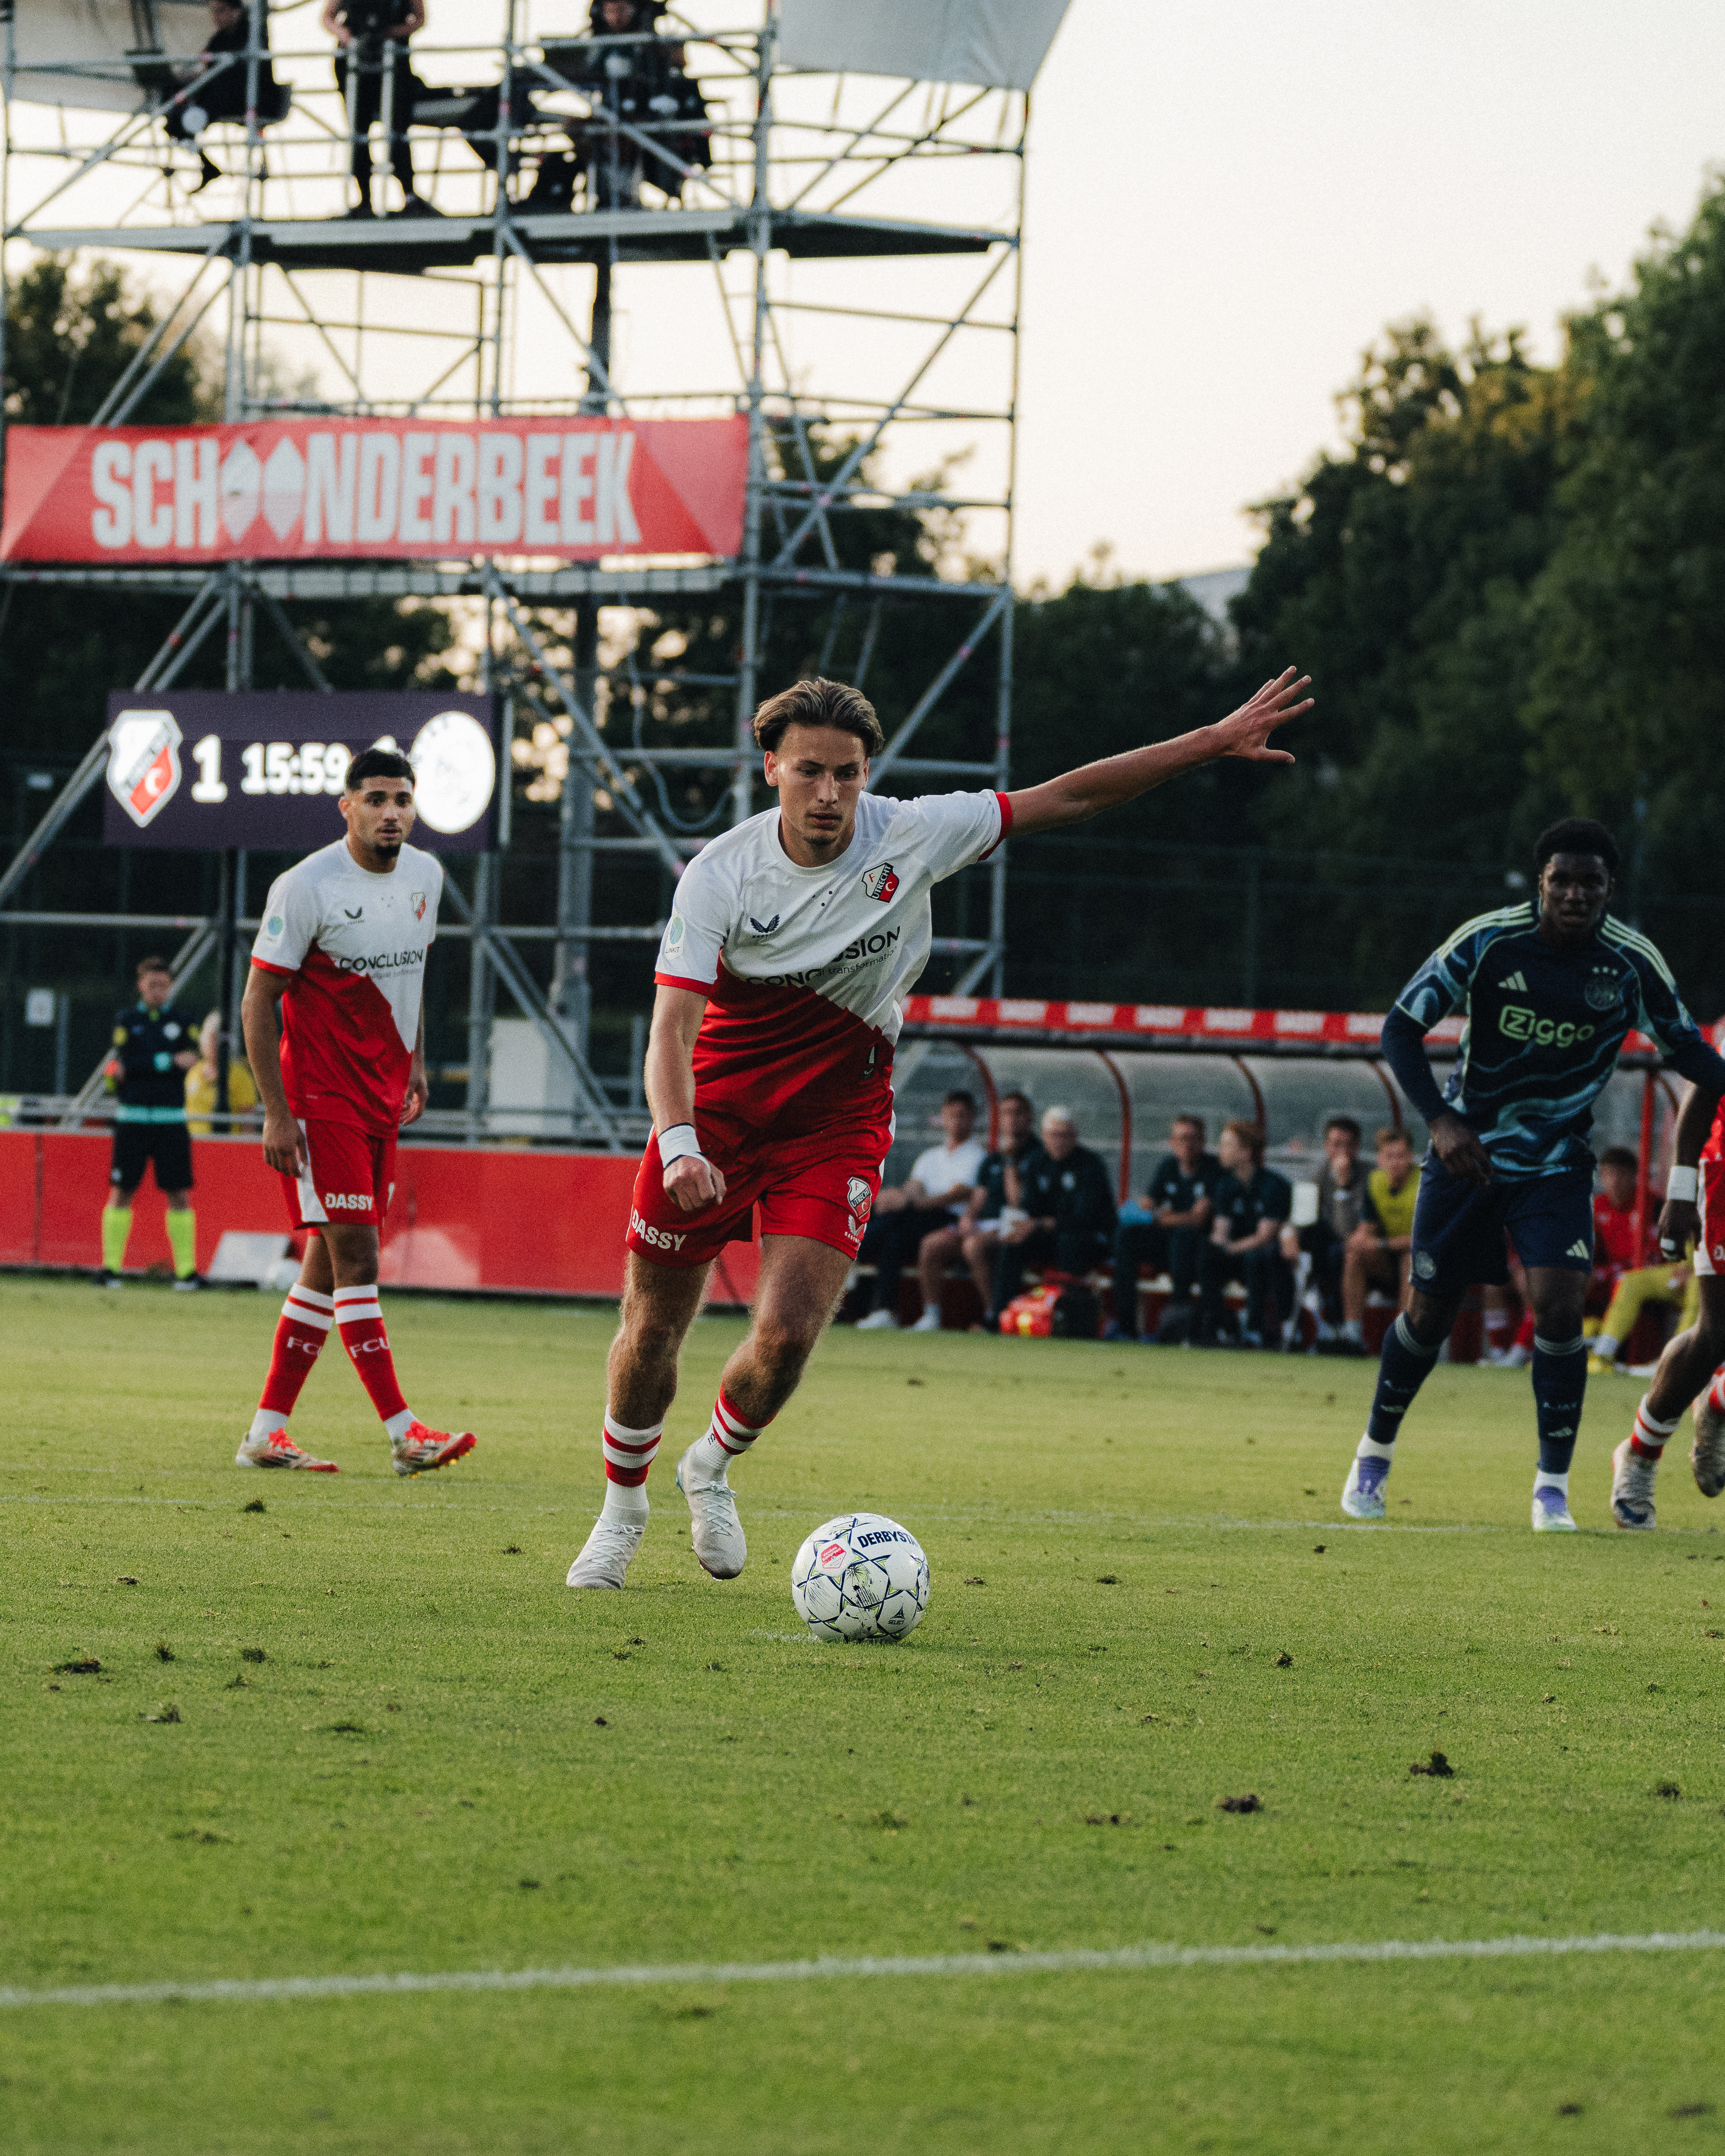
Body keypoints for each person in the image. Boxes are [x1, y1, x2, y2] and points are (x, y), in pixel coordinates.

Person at [564, 664, 1311, 1589]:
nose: (830, 792)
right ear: (770, 769)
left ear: (868, 770)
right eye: (808, 771)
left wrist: (1206, 742)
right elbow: (670, 1028)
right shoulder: (721, 873)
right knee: (651, 1329)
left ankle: (708, 1466)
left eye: (847, 771)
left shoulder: (913, 833)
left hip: (834, 1121)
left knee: (789, 1333)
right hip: (713, 1115)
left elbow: (1068, 796)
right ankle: (622, 1506)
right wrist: (678, 1142)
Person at [1338, 817, 1725, 1533]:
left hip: (1555, 1164)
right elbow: (1398, 1028)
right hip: (1467, 1158)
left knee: (1557, 1310)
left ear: (1610, 888)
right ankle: (1373, 1453)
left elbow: (1692, 1055)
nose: (1575, 894)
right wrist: (1440, 1121)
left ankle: (1550, 1487)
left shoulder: (1631, 962)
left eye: (1590, 882)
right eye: (1562, 881)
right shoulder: (1488, 940)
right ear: (1540, 883)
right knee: (1427, 1317)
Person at [237, 747, 475, 1478]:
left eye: (403, 798)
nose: (392, 812)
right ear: (346, 807)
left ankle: (265, 1433)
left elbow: (415, 978)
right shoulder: (305, 887)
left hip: (380, 1100)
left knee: (321, 1268)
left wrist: (419, 1063)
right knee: (359, 1260)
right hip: (319, 1101)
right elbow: (257, 1000)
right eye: (376, 798)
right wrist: (276, 1115)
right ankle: (405, 1433)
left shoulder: (427, 877)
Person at [1611, 1096, 1725, 1527]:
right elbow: (1702, 1092)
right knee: (1717, 1334)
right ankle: (1639, 1455)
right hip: (1724, 1173)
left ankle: (1717, 1399)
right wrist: (1679, 1191)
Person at [99, 956, 203, 1290]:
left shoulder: (183, 1020)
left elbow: (191, 1059)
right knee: (122, 1191)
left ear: (170, 986)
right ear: (140, 985)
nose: (158, 990)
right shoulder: (126, 1020)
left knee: (179, 1194)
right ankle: (110, 1270)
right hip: (132, 1120)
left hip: (171, 1121)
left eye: (163, 985)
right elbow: (126, 1063)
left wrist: (149, 1063)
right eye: (151, 984)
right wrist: (167, 1060)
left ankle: (186, 1273)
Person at [853, 1090, 985, 1331]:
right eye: (952, 1116)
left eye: (963, 1116)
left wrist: (913, 1202)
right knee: (893, 1239)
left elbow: (957, 1194)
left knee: (891, 1219)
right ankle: (885, 1310)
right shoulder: (930, 1157)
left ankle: (858, 1246)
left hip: (950, 1219)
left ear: (972, 1119)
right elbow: (914, 1186)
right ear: (943, 1118)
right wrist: (906, 1199)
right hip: (917, 1218)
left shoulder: (977, 1156)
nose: (957, 1121)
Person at [984, 1107, 1118, 1326]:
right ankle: (1001, 1319)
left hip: (1090, 1238)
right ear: (1044, 1137)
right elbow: (1029, 1207)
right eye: (1054, 1135)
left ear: (1075, 1137)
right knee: (1013, 1245)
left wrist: (1038, 1224)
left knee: (1070, 1242)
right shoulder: (1037, 1162)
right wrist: (1018, 1228)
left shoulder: (1090, 1165)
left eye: (1066, 1136)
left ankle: (1067, 1320)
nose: (1060, 1141)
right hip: (1049, 1235)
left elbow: (1085, 1218)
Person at [919, 1090, 1039, 1329]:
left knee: (973, 1246)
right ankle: (931, 1316)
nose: (1011, 1119)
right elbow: (980, 1195)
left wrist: (1010, 1163)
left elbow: (1018, 1203)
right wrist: (967, 1218)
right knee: (932, 1244)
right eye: (1006, 1113)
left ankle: (993, 1317)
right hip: (986, 1225)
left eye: (1018, 1113)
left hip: (1017, 1224)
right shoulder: (991, 1159)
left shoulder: (1037, 1155)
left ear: (1029, 1118)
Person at [1104, 1114, 1220, 1341]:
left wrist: (1162, 1218)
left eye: (1193, 1138)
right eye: (1182, 1139)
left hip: (1196, 1249)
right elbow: (1146, 1207)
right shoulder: (1168, 1167)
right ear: (1172, 1143)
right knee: (1127, 1237)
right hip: (1166, 1245)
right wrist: (1164, 1217)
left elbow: (1198, 1220)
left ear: (1203, 1142)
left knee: (1184, 1236)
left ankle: (1178, 1325)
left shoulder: (1212, 1170)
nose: (1187, 1144)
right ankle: (1126, 1325)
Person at [323, 0, 439, 218]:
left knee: (397, 130)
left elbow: (420, 17)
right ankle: (365, 201)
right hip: (354, 62)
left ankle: (409, 196)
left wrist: (393, 33)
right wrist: (347, 37)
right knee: (359, 132)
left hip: (394, 59)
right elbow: (328, 16)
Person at [161, 0, 284, 194]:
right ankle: (194, 139)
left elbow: (242, 72)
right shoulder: (219, 39)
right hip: (222, 97)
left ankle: (194, 119)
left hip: (254, 98)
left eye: (221, 11)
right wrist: (177, 80)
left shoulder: (252, 33)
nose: (217, 17)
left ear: (236, 10)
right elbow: (206, 69)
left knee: (223, 85)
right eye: (214, 12)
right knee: (170, 92)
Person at [1194, 1121, 1292, 1347]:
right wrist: (1218, 1248)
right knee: (1206, 1256)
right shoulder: (1225, 1185)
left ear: (1246, 1153)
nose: (1222, 1151)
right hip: (1235, 1253)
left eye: (1228, 1145)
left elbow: (1264, 1236)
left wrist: (1229, 1249)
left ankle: (1254, 1330)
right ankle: (1219, 1323)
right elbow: (1221, 1231)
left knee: (1254, 1259)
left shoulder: (1274, 1186)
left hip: (1265, 1258)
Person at [1280, 1114, 1364, 1344]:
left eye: (1348, 1146)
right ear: (1327, 1146)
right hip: (1321, 1246)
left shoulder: (1366, 1178)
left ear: (1357, 1148)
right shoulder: (1318, 1174)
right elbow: (1299, 1215)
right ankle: (1287, 1325)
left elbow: (1346, 1229)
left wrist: (1343, 1186)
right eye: (1336, 1145)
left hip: (1350, 1248)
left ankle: (1342, 1331)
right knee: (1279, 1253)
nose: (1342, 1152)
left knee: (1339, 1254)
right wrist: (1289, 1234)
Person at [1336, 1126, 1420, 1349]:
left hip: (1422, 1260)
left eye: (1401, 1156)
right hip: (1388, 1259)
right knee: (1354, 1254)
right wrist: (1359, 1240)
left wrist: (1380, 1243)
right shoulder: (1375, 1181)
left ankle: (1403, 1337)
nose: (1395, 1163)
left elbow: (1423, 1239)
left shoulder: (1424, 1184)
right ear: (1380, 1159)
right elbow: (1367, 1227)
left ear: (1411, 1157)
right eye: (1389, 1157)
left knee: (1410, 1257)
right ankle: (1352, 1334)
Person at [184, 1011, 260, 1136]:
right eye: (211, 1038)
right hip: (195, 1148)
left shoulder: (239, 1075)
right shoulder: (193, 1073)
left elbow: (248, 1124)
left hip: (226, 1147)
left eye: (219, 1040)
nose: (214, 1045)